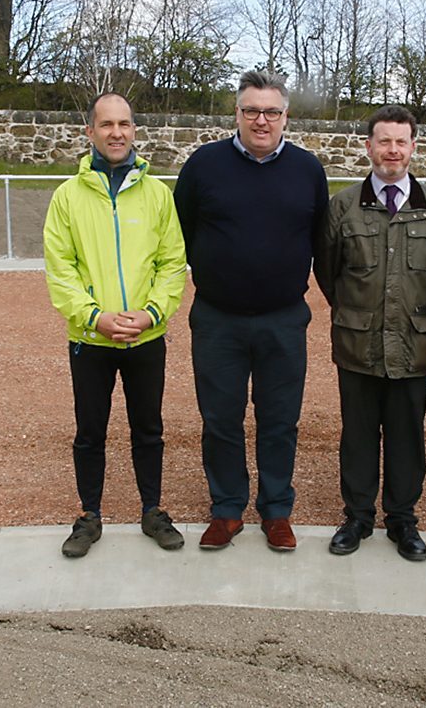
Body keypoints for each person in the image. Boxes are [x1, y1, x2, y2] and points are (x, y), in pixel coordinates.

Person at [173, 70, 329, 552]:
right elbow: (179, 232)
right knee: (220, 418)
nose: (261, 120)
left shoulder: (308, 169)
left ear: (285, 116)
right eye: (251, 111)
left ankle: (276, 510)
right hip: (218, 318)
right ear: (236, 113)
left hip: (284, 318)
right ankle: (226, 509)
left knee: (279, 419)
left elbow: (320, 243)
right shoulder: (204, 164)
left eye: (272, 112)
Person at [44, 92, 188, 558]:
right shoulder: (68, 197)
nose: (116, 133)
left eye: (124, 124)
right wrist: (94, 317)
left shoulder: (158, 194)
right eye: (106, 125)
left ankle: (152, 510)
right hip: (91, 338)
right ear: (90, 132)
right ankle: (89, 516)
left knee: (149, 428)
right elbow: (60, 268)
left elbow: (172, 263)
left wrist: (151, 313)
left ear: (134, 130)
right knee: (90, 430)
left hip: (146, 336)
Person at [313, 106, 426, 562]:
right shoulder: (343, 205)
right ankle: (357, 517)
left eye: (401, 141)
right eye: (383, 141)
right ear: (368, 147)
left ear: (414, 147)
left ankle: (402, 519)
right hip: (357, 342)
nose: (392, 150)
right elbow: (329, 272)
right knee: (357, 433)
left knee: (406, 434)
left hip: (415, 343)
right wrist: (358, 312)